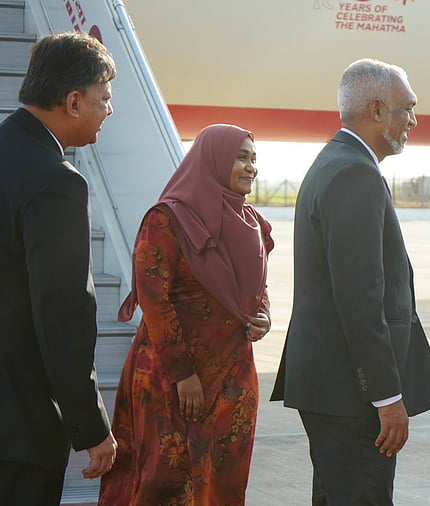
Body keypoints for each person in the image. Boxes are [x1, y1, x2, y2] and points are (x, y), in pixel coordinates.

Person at [271, 58, 430, 505]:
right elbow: (360, 296)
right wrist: (386, 397)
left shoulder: (336, 163)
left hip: (334, 388)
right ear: (378, 111)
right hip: (352, 394)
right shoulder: (354, 173)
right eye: (408, 108)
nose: (413, 120)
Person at [98, 124, 274, 504]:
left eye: (253, 158)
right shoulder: (166, 220)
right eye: (241, 157)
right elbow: (154, 299)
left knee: (222, 484)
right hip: (172, 378)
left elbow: (257, 286)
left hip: (232, 379)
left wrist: (263, 314)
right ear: (214, 160)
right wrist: (183, 373)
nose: (250, 167)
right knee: (165, 481)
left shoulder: (252, 223)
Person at [0, 31, 118, 504]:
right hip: (18, 431)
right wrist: (92, 428)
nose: (109, 110)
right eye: (104, 98)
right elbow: (63, 320)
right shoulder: (57, 183)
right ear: (73, 101)